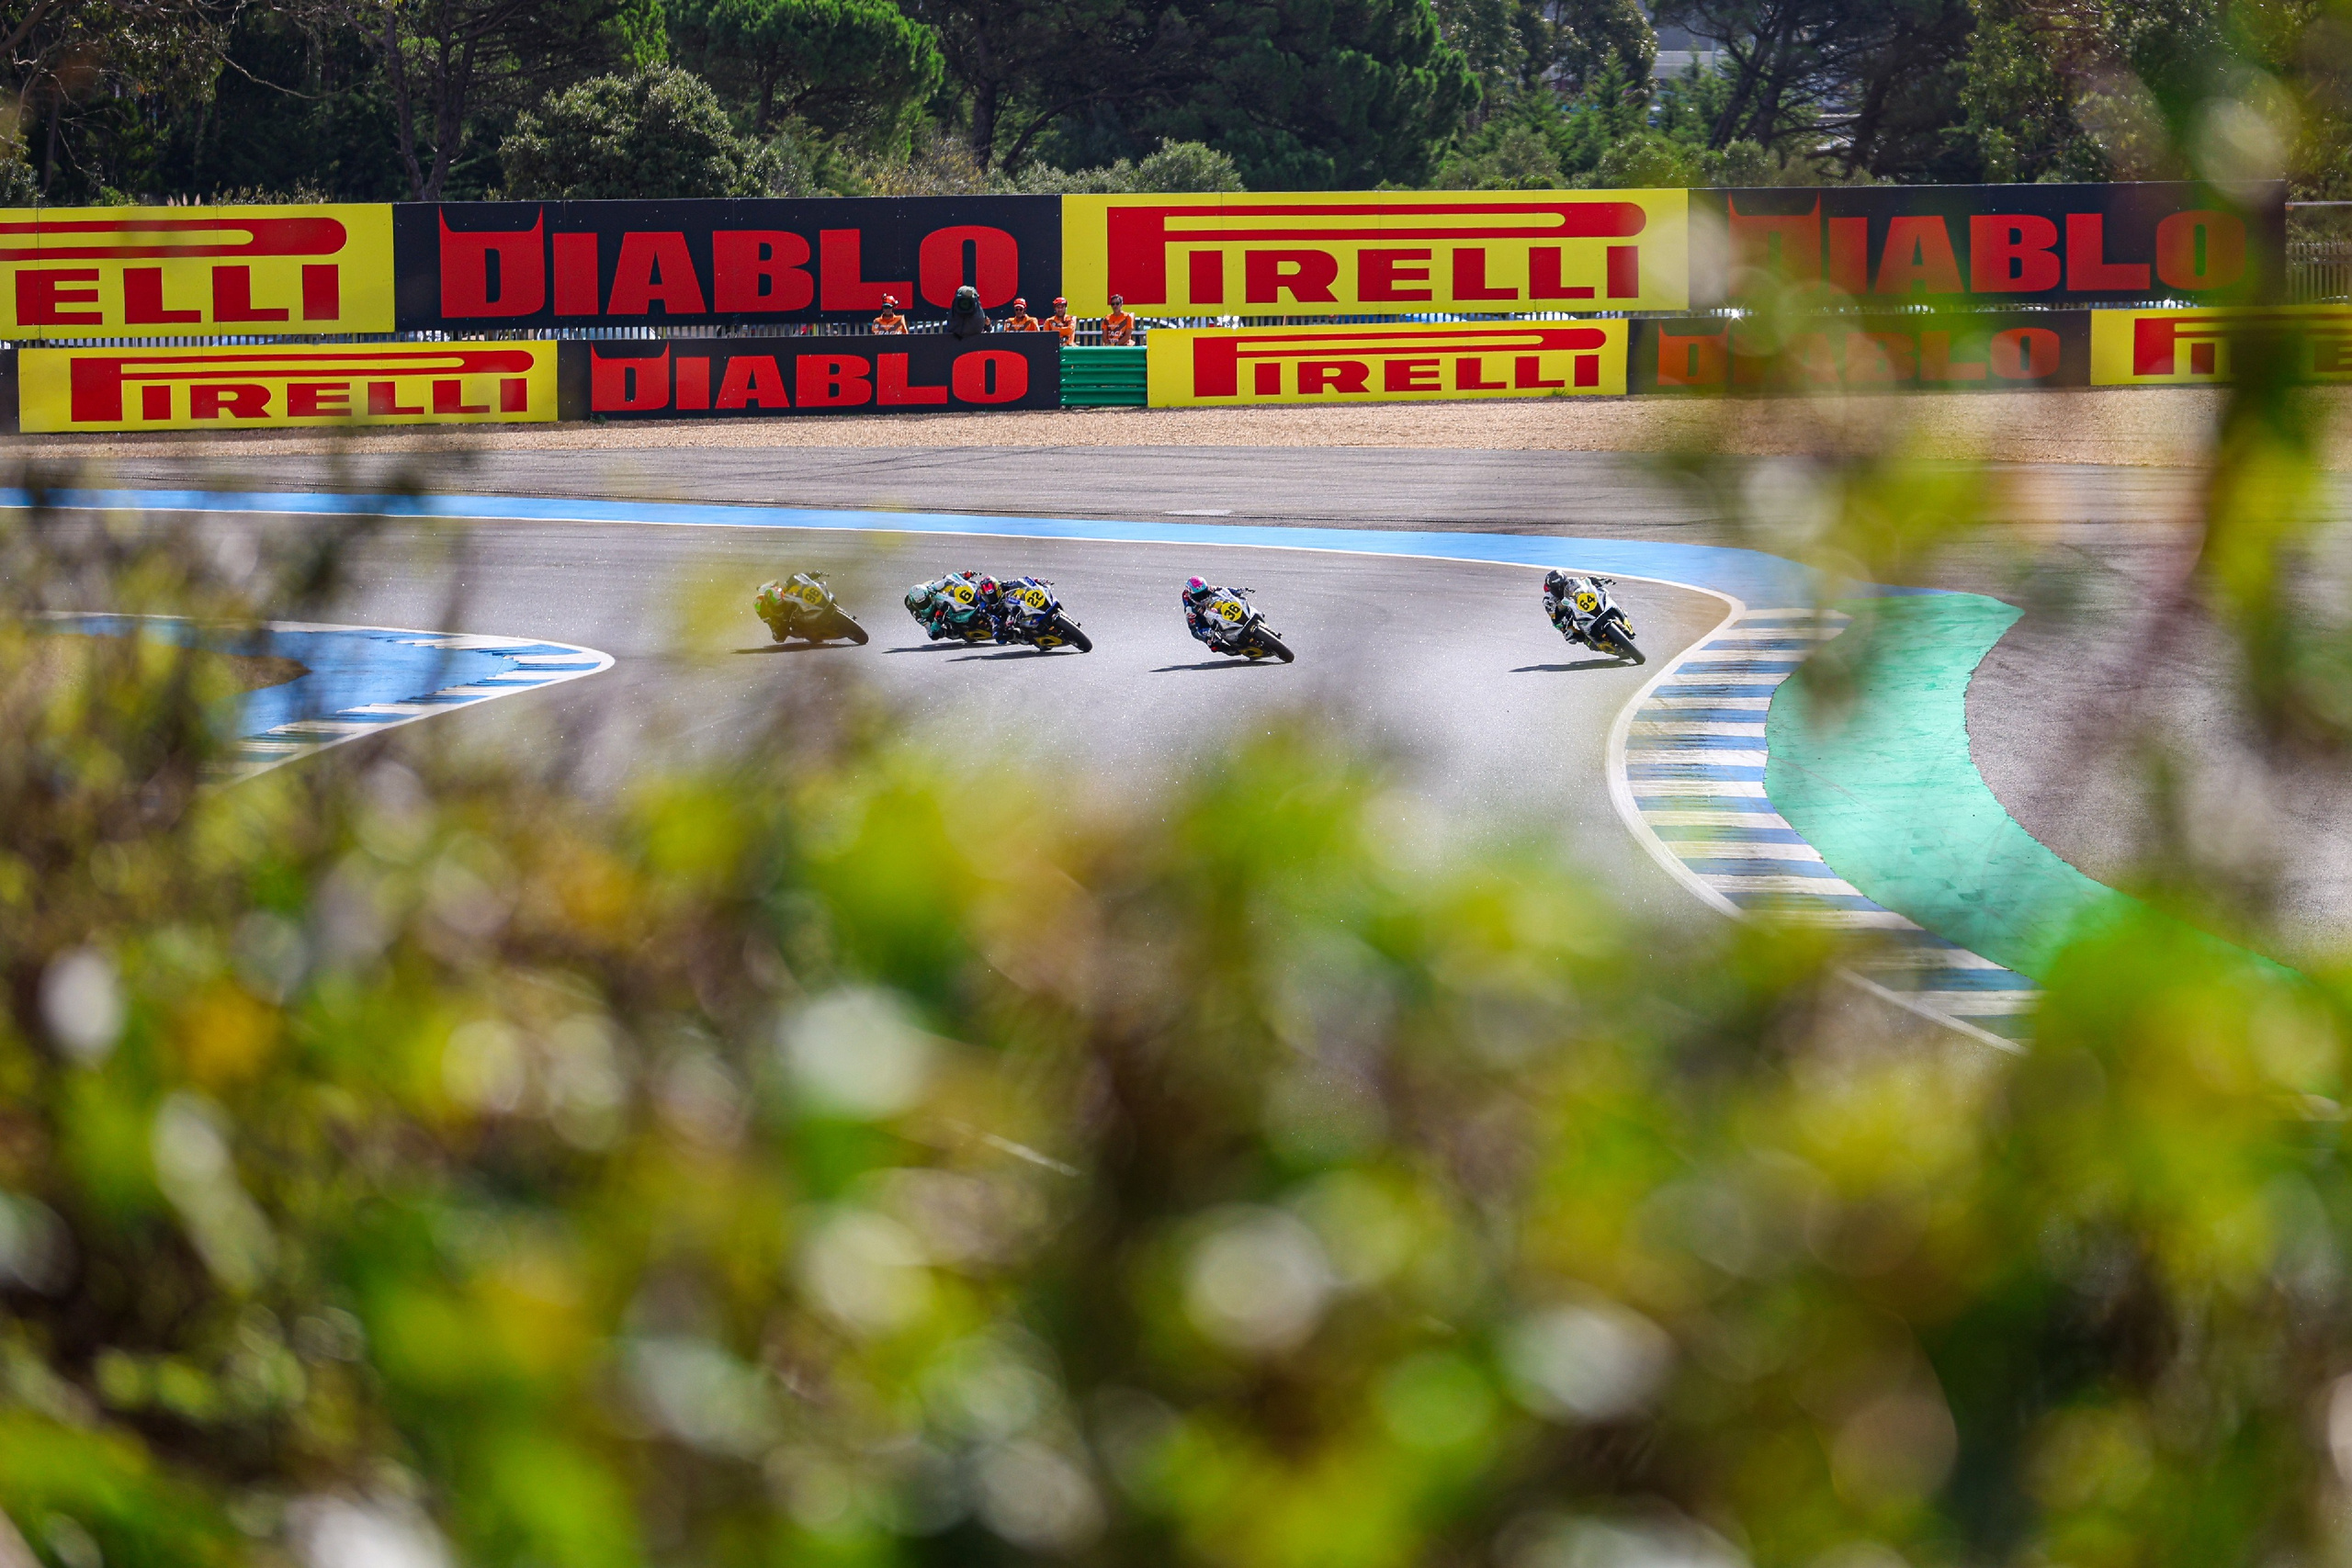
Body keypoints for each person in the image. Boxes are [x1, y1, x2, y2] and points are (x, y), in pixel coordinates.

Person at [1543, 570, 1603, 646]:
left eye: (1563, 585)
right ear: (1550, 589)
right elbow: (1555, 619)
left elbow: (1586, 580)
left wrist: (1599, 580)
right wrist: (1561, 611)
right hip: (1568, 612)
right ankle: (1587, 639)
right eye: (1556, 589)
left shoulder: (1571, 581)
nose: (1560, 589)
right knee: (1570, 635)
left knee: (1602, 592)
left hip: (1582, 601)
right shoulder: (1548, 600)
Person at [1182, 576, 1238, 648]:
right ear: (1191, 596)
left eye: (1204, 593)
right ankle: (1227, 648)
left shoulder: (1208, 588)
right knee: (1213, 644)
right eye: (1198, 596)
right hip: (1199, 614)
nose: (1203, 598)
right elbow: (1195, 629)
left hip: (1210, 604)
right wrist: (1206, 632)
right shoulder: (1190, 608)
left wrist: (1237, 591)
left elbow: (1222, 590)